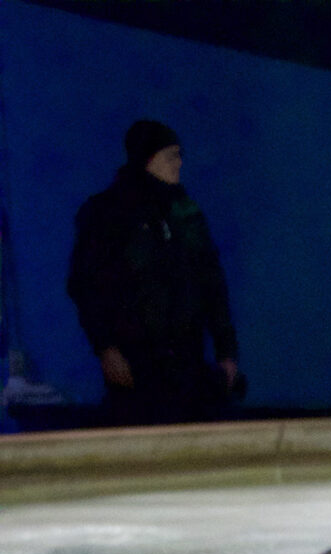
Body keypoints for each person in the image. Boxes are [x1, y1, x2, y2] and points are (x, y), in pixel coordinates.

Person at [66, 119, 240, 425]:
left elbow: (212, 283)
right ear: (148, 159)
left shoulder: (186, 214)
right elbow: (87, 284)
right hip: (137, 364)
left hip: (188, 361)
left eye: (179, 154)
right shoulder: (107, 213)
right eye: (170, 155)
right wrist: (106, 348)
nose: (179, 163)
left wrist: (226, 351)